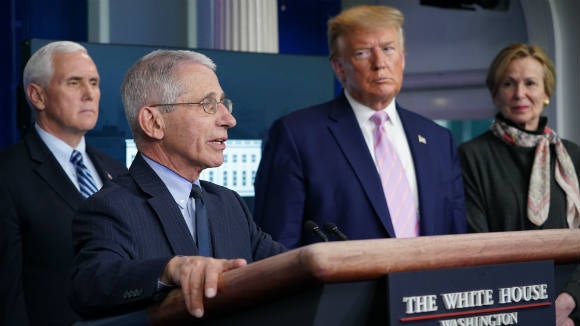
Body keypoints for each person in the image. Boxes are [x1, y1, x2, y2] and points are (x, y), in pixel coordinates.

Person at [69, 49, 286, 320]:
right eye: (208, 104)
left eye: (223, 103)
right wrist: (168, 270)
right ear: (154, 122)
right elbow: (91, 284)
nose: (229, 120)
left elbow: (286, 267)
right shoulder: (111, 207)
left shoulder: (228, 203)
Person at [253, 5, 467, 249]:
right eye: (363, 53)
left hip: (426, 286)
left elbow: (456, 237)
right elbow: (277, 247)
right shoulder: (297, 136)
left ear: (403, 59)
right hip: (342, 287)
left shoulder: (438, 139)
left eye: (388, 49)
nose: (380, 63)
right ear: (339, 67)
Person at [0, 41, 127, 325]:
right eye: (74, 82)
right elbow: (7, 294)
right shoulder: (7, 175)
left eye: (94, 83)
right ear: (37, 95)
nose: (89, 94)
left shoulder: (116, 171)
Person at [458, 43, 580, 326]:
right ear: (496, 93)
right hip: (507, 309)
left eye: (530, 83)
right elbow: (477, 247)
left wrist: (568, 301)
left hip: (572, 305)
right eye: (508, 84)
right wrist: (530, 309)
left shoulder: (572, 156)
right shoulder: (473, 156)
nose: (519, 94)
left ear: (546, 92)